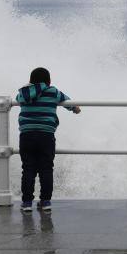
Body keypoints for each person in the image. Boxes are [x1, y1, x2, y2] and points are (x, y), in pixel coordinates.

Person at [15, 67, 80, 212]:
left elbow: (18, 99)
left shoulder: (23, 93)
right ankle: (45, 202)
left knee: (28, 168)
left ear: (30, 81)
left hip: (26, 135)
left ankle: (27, 203)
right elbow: (68, 102)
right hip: (46, 135)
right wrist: (75, 108)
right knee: (46, 168)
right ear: (49, 81)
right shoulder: (53, 91)